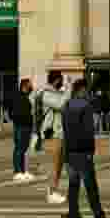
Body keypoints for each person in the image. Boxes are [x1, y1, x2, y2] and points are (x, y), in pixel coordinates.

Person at [62, 78, 110, 218]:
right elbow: (88, 132)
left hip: (70, 152)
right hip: (83, 152)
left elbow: (65, 130)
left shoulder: (67, 105)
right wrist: (91, 151)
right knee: (91, 187)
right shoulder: (85, 106)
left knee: (73, 188)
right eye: (86, 91)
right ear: (82, 90)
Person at [40, 70, 69, 206]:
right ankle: (51, 192)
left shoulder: (57, 93)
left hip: (60, 134)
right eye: (61, 80)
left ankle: (54, 190)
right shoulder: (47, 94)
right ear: (56, 80)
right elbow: (61, 105)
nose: (63, 82)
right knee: (53, 165)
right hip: (52, 134)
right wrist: (68, 89)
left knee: (58, 165)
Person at [8, 78, 36, 182]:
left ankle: (23, 171)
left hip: (25, 125)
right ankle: (18, 171)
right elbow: (12, 110)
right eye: (30, 85)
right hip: (21, 126)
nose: (31, 86)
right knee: (19, 149)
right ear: (25, 86)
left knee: (23, 149)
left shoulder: (25, 96)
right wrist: (17, 119)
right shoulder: (19, 97)